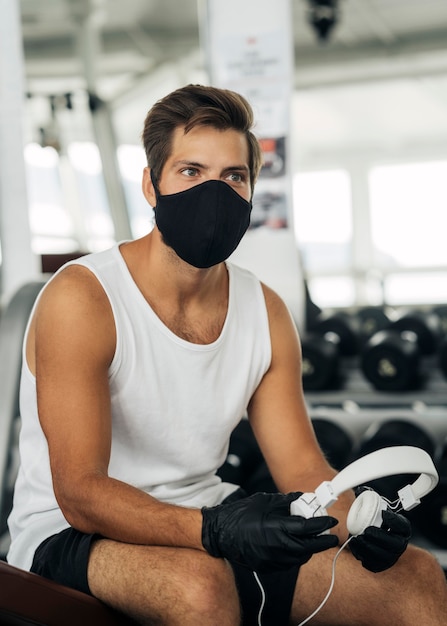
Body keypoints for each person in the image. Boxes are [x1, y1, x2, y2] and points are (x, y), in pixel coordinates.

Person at [7, 84, 447, 626]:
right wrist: (214, 530)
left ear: (250, 192)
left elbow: (305, 468)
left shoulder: (265, 311)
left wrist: (360, 518)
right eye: (191, 172)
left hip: (209, 510)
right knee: (200, 587)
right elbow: (80, 493)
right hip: (69, 531)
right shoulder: (84, 299)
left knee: (418, 578)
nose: (213, 193)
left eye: (233, 177)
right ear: (151, 184)